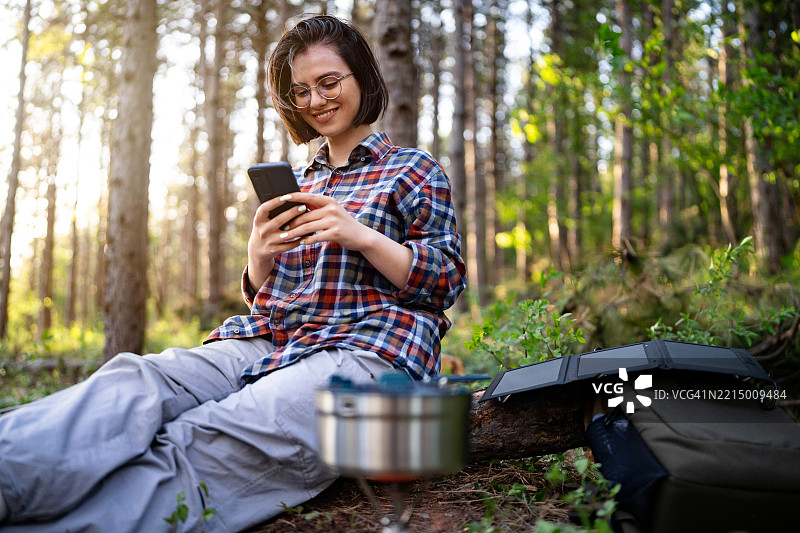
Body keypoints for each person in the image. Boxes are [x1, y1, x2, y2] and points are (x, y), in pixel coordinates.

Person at [0, 15, 466, 533]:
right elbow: (271, 297)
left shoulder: (412, 169)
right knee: (135, 382)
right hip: (273, 340)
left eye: (329, 82)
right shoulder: (297, 182)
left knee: (204, 437)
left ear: (363, 75)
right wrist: (259, 254)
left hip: (368, 350)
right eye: (301, 91)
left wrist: (363, 236)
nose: (315, 100)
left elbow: (445, 281)